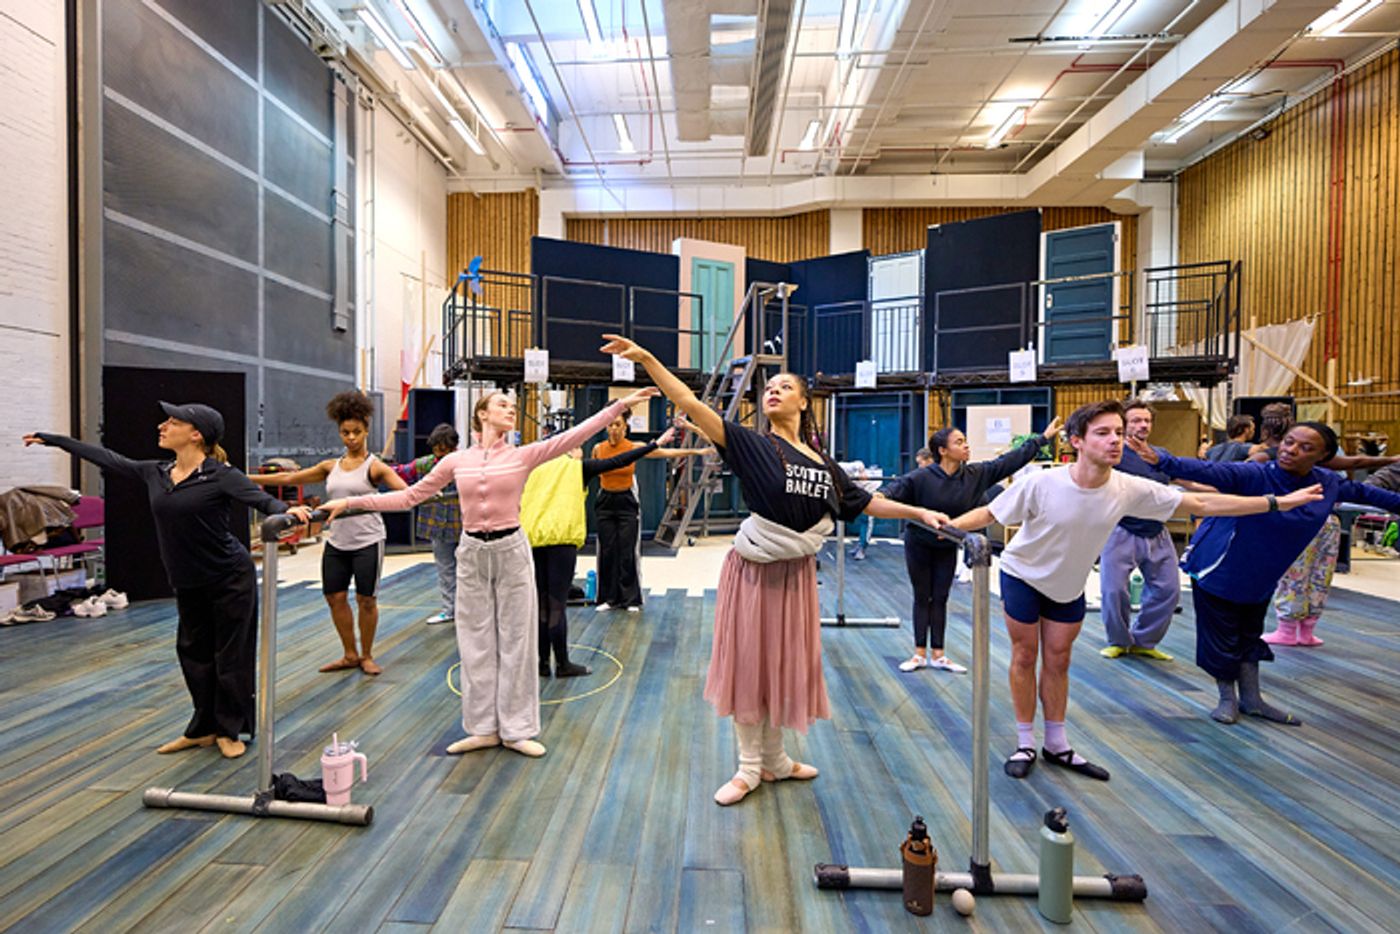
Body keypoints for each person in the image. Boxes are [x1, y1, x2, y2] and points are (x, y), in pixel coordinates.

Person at [600, 334, 950, 806]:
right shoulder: (748, 444)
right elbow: (686, 400)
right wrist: (647, 359)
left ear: (805, 403)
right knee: (750, 666)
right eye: (769, 387)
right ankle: (749, 767)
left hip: (796, 576)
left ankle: (777, 759)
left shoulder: (824, 465)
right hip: (754, 570)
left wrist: (920, 514)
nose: (773, 391)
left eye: (785, 387)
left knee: (782, 665)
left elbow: (867, 503)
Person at [945, 400, 1323, 782]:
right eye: (1104, 433)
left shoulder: (1126, 489)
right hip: (1023, 575)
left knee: (1059, 661)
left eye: (1119, 433)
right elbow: (991, 514)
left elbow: (1202, 501)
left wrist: (1276, 503)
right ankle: (1025, 741)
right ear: (1077, 440)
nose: (1115, 441)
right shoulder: (1043, 482)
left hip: (1068, 585)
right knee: (1026, 656)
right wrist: (942, 527)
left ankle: (1056, 743)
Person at [322, 385, 660, 759]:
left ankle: (517, 729)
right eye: (502, 404)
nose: (511, 410)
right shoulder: (456, 461)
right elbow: (409, 497)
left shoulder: (524, 455)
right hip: (472, 553)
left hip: (512, 549)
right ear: (482, 414)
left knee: (517, 639)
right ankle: (482, 727)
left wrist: (618, 407)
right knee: (475, 640)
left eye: (513, 406)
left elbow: (576, 434)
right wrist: (351, 502)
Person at [25, 402, 312, 758]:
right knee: (193, 654)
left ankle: (229, 730)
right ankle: (203, 728)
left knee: (230, 656)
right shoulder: (156, 472)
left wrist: (290, 511)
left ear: (196, 434)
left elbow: (262, 501)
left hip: (229, 577)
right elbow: (108, 458)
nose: (162, 425)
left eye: (173, 422)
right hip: (188, 579)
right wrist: (54, 440)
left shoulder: (221, 474)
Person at [1129, 423, 1400, 725]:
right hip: (1219, 570)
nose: (1290, 450)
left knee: (1249, 634)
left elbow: (1372, 495)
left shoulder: (1325, 484)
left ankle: (1252, 699)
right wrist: (1161, 460)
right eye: (1288, 442)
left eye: (1305, 448)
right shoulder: (1257, 475)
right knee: (1222, 637)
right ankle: (1226, 699)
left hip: (1261, 576)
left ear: (1324, 456)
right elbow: (1209, 470)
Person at [880, 418, 1061, 674]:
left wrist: (1042, 439)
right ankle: (919, 653)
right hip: (919, 544)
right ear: (943, 450)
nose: (966, 446)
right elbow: (892, 491)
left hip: (947, 545)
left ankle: (939, 654)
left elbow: (1009, 461)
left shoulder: (976, 475)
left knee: (941, 597)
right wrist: (878, 496)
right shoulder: (921, 477)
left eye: (965, 441)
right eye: (959, 442)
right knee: (923, 597)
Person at [251, 391, 406, 675]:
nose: (351, 438)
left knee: (366, 600)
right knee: (334, 597)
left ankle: (367, 655)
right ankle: (349, 654)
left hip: (368, 541)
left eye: (357, 432)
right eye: (345, 432)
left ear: (366, 431)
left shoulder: (376, 467)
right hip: (337, 542)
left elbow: (406, 495)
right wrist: (243, 478)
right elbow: (287, 477)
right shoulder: (329, 467)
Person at [522, 427, 681, 677]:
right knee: (556, 605)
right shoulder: (576, 468)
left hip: (532, 541)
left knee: (540, 604)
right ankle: (562, 664)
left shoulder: (532, 468)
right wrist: (655, 444)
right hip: (561, 541)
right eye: (578, 448)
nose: (581, 453)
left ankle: (541, 664)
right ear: (569, 448)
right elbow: (621, 459)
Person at [591, 411, 706, 612]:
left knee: (628, 550)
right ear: (606, 428)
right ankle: (608, 598)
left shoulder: (634, 447)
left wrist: (695, 453)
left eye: (618, 425)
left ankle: (630, 599)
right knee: (607, 550)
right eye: (611, 425)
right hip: (606, 502)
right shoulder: (598, 449)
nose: (614, 429)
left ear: (625, 427)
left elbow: (663, 453)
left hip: (626, 500)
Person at [1097, 402, 1179, 662]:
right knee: (1114, 590)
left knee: (1168, 590)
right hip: (1121, 529)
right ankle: (1119, 641)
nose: (1142, 425)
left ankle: (1144, 640)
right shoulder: (1114, 453)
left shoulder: (1160, 454)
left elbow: (1183, 479)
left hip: (1157, 530)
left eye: (1147, 421)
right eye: (1135, 421)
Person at [392, 423, 463, 625]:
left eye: (445, 449)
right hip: (437, 527)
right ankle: (450, 610)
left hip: (463, 525)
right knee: (445, 569)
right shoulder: (424, 464)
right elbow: (399, 472)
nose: (440, 455)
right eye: (437, 449)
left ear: (454, 447)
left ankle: (468, 611)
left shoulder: (465, 464)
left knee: (469, 571)